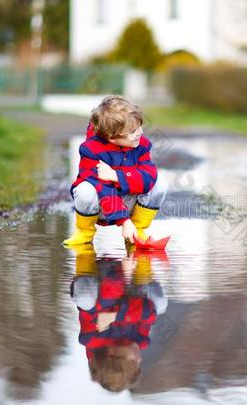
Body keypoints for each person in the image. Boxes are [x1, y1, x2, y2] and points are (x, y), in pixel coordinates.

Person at [63, 95, 168, 246]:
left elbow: (148, 177)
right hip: (101, 207)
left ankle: (137, 230)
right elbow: (102, 188)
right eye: (133, 131)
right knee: (85, 189)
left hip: (130, 203)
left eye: (140, 126)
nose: (140, 133)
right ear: (112, 138)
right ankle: (84, 232)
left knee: (160, 182)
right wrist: (124, 221)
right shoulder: (91, 150)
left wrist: (117, 176)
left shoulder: (142, 145)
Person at [69, 246, 168, 392]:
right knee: (159, 305)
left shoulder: (92, 337)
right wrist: (116, 315)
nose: (140, 359)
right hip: (132, 281)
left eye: (133, 361)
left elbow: (102, 301)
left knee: (85, 300)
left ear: (113, 355)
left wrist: (121, 274)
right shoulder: (139, 339)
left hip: (103, 277)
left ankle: (84, 256)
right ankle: (143, 258)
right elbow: (149, 310)